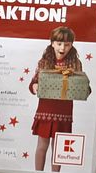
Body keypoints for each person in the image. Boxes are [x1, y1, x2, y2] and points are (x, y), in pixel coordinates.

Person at [29, 27, 84, 172]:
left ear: (71, 45)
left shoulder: (75, 64)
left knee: (59, 148)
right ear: (52, 43)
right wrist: (34, 86)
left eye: (67, 44)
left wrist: (84, 88)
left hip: (64, 112)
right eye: (59, 43)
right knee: (42, 145)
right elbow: (34, 82)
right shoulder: (44, 62)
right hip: (45, 110)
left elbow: (83, 86)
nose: (62, 48)